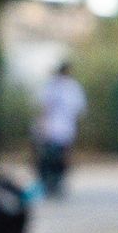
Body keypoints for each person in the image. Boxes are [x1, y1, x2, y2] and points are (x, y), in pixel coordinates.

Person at [36, 62, 87, 196]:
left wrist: (42, 123)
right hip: (62, 128)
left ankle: (54, 182)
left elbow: (44, 107)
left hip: (55, 127)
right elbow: (79, 110)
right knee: (57, 156)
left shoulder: (55, 85)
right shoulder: (72, 87)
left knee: (53, 156)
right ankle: (54, 182)